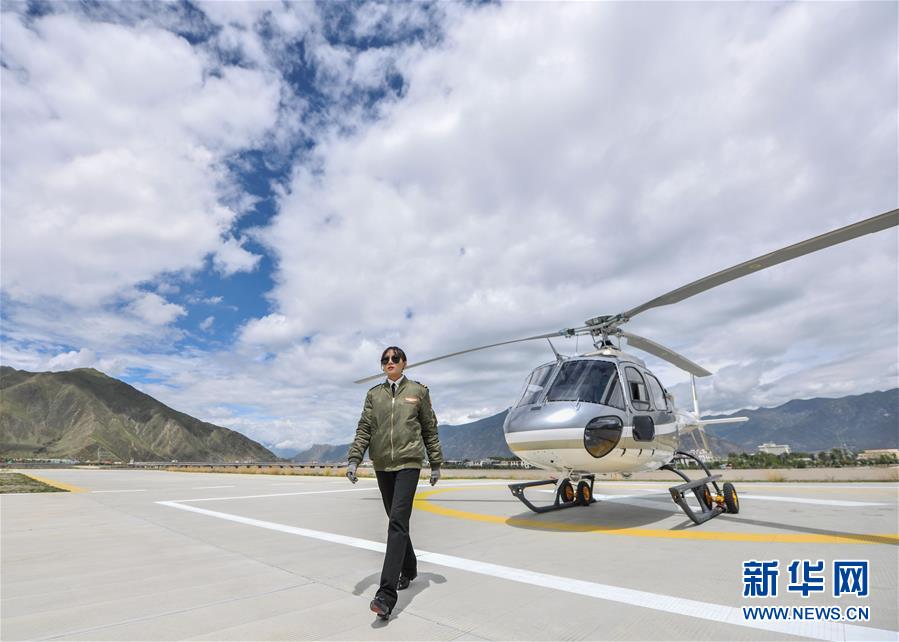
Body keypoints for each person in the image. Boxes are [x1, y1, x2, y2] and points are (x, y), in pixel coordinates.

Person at [346, 346, 443, 620]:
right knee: (396, 520)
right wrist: (354, 459)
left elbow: (429, 429)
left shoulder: (418, 391)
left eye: (395, 358)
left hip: (409, 464)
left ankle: (385, 596)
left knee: (397, 523)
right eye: (385, 359)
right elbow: (364, 428)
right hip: (382, 465)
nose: (390, 362)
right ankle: (409, 568)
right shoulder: (374, 395)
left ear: (404, 363)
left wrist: (436, 463)